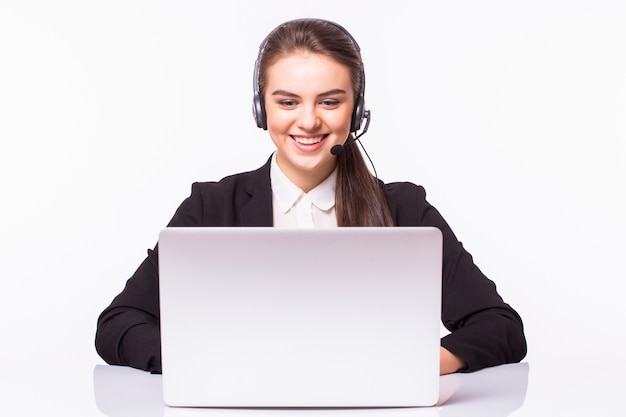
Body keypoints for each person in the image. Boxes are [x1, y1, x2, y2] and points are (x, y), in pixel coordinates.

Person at [95, 18, 526, 375]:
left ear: (357, 111)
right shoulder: (210, 208)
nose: (308, 121)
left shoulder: (405, 210)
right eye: (287, 102)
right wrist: (212, 363)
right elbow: (118, 324)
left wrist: (419, 364)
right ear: (261, 109)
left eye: (329, 102)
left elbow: (501, 326)